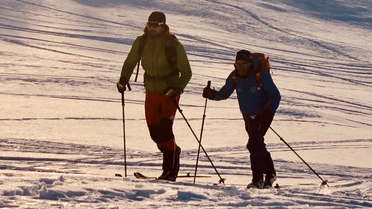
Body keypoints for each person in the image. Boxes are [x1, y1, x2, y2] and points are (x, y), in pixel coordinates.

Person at [116, 11, 192, 180]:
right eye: (150, 24)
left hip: (168, 92)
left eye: (156, 25)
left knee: (165, 130)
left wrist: (177, 89)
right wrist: (123, 79)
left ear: (163, 26)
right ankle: (174, 151)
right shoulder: (141, 41)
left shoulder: (173, 44)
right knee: (154, 133)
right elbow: (130, 61)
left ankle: (170, 170)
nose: (152, 28)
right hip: (151, 91)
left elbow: (187, 72)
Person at [203, 50, 281, 188]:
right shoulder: (234, 76)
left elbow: (276, 96)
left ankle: (257, 180)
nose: (241, 66)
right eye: (238, 64)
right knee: (257, 144)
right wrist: (212, 95)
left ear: (250, 62)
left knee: (253, 144)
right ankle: (270, 173)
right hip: (248, 117)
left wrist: (269, 113)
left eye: (244, 63)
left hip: (264, 115)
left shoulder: (261, 75)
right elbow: (225, 93)